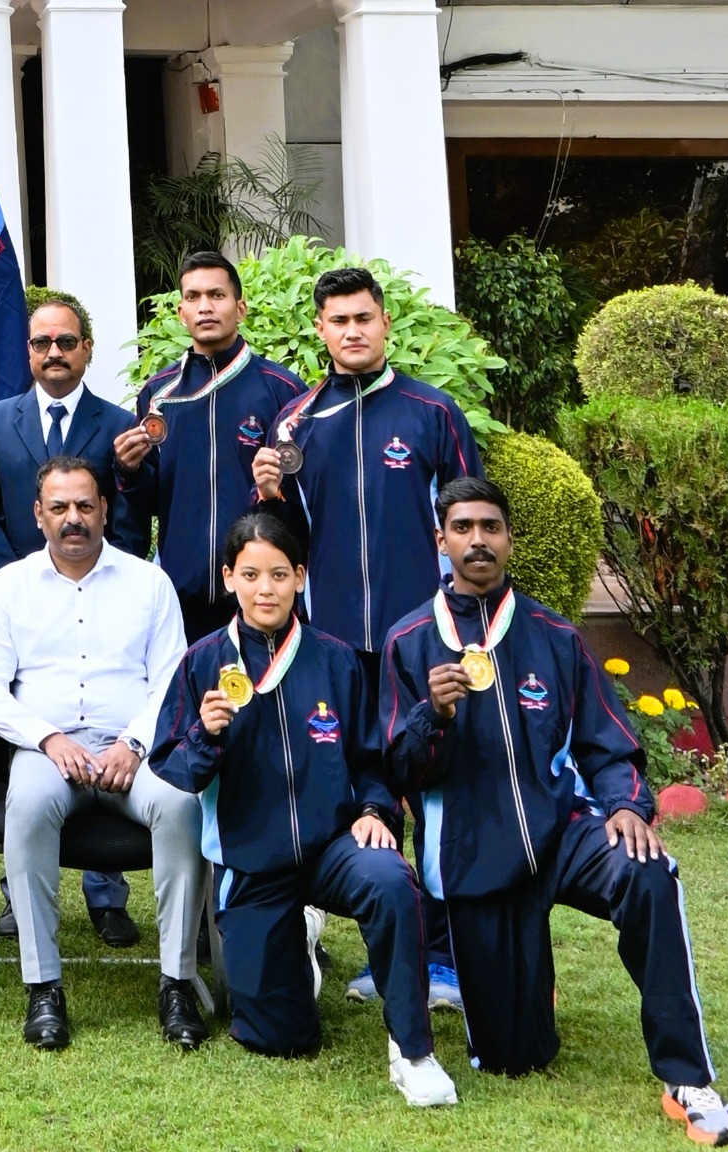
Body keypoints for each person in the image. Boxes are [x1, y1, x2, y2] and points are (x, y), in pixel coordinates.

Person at [381, 478, 728, 1146]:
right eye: (462, 528)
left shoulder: (553, 635)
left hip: (563, 832)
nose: (477, 540)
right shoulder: (408, 641)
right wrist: (430, 715)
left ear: (508, 539)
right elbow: (399, 770)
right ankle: (524, 983)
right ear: (440, 540)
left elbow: (606, 741)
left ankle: (687, 1079)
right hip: (472, 855)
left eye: (490, 527)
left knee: (647, 873)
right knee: (514, 1058)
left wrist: (626, 805)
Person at [153, 508, 459, 1108]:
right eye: (250, 575)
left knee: (390, 880)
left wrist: (375, 811)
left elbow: (371, 757)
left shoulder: (336, 659)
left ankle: (414, 1051)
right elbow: (175, 769)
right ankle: (299, 947)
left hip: (333, 846)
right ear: (228, 578)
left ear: (300, 576)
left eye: (278, 574)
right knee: (280, 1039)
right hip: (253, 862)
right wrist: (205, 735)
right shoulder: (202, 662)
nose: (264, 589)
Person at [250, 262, 480, 1010]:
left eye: (363, 318)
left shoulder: (432, 412)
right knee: (353, 792)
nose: (352, 331)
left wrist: (463, 625)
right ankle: (378, 950)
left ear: (385, 323)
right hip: (335, 647)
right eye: (338, 321)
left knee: (431, 794)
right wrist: (268, 491)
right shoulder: (295, 423)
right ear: (319, 330)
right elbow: (283, 544)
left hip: (423, 644)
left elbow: (471, 523)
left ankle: (443, 958)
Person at [0, 454, 208, 1051]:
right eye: (59, 507)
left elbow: (172, 682)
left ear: (104, 510)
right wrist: (46, 738)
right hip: (48, 751)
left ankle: (177, 981)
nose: (73, 518)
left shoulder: (148, 583)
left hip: (134, 751)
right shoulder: (10, 586)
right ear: (38, 515)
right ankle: (43, 986)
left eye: (84, 506)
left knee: (182, 806)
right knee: (25, 806)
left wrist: (135, 743)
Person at [0, 290, 153, 946]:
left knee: (103, 723)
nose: (53, 352)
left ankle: (107, 895)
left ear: (86, 350)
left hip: (104, 603)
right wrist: (22, 585)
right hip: (22, 612)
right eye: (42, 342)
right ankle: (18, 892)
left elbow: (129, 517)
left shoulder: (117, 424)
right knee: (21, 748)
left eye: (65, 342)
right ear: (28, 352)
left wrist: (99, 584)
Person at [135, 250, 307, 642]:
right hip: (182, 599)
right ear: (181, 312)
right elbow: (146, 501)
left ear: (240, 308)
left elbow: (307, 496)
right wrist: (127, 471)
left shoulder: (283, 389)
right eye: (193, 297)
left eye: (217, 295)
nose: (205, 307)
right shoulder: (159, 395)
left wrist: (273, 492)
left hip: (261, 597)